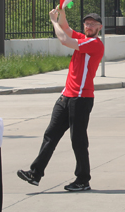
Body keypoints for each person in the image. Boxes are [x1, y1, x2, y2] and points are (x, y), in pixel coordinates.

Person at [17, 10, 104, 192]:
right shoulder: (83, 37)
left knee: (78, 140)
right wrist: (61, 13)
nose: (89, 26)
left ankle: (83, 180)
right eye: (87, 23)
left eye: (93, 24)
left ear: (99, 27)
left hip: (81, 98)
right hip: (67, 96)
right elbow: (66, 28)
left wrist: (53, 21)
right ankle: (35, 174)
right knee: (51, 134)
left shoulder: (95, 44)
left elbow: (64, 39)